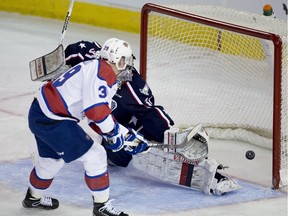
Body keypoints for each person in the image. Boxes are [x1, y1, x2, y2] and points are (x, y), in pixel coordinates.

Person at [64, 40, 241, 196]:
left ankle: (199, 166)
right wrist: (59, 69)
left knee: (149, 135)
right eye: (121, 62)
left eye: (127, 61)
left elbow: (151, 113)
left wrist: (170, 135)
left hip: (125, 129)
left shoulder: (133, 86)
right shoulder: (91, 58)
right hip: (111, 138)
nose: (127, 67)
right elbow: (72, 52)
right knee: (120, 156)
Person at [22, 38, 140, 216]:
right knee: (96, 155)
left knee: (51, 161)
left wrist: (123, 134)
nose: (127, 65)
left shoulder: (96, 67)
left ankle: (33, 198)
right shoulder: (104, 72)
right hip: (54, 120)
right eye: (125, 60)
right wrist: (114, 133)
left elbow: (95, 118)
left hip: (40, 113)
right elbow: (96, 112)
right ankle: (101, 207)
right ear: (118, 60)